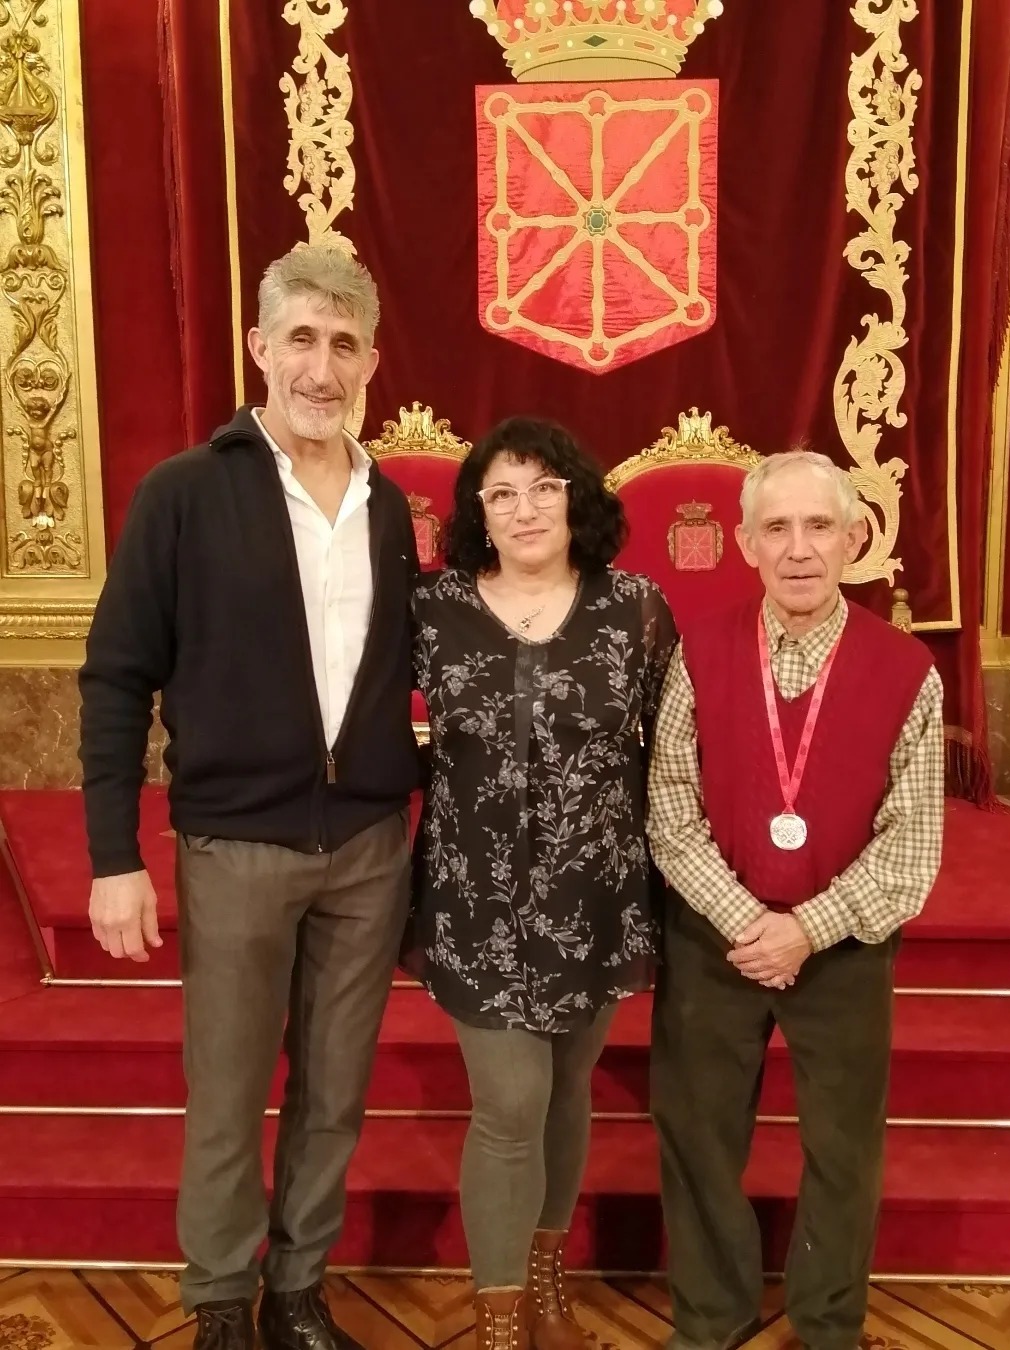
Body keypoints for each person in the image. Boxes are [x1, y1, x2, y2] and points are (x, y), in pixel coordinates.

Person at [78, 246, 420, 1350]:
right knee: (227, 1093)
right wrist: (114, 856)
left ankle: (298, 1290)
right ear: (260, 347)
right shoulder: (183, 492)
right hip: (236, 848)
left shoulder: (388, 506)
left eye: (345, 344)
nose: (323, 368)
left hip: (367, 845)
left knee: (335, 1091)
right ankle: (222, 1297)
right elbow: (117, 677)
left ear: (372, 362)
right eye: (302, 339)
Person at [646, 450, 944, 1350]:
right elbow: (670, 811)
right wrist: (749, 922)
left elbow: (912, 847)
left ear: (854, 538)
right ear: (746, 544)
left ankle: (827, 1326)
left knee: (843, 1151)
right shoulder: (698, 653)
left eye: (819, 526)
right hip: (716, 940)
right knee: (698, 1138)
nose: (799, 548)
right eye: (776, 528)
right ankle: (711, 1319)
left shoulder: (908, 671)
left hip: (845, 946)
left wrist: (806, 929)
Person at [407, 417, 677, 1350]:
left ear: (577, 498)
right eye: (502, 493)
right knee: (510, 1103)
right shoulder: (432, 609)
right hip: (474, 898)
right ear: (477, 513)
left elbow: (674, 757)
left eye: (544, 488)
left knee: (567, 1089)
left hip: (596, 895)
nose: (525, 510)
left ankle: (546, 1280)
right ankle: (498, 1321)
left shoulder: (636, 608)